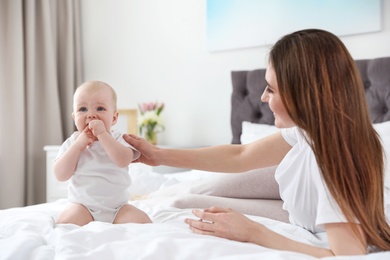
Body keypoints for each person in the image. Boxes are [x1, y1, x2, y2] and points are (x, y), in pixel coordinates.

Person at [124, 29, 390, 257]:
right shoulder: (311, 131)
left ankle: (155, 195)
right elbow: (241, 155)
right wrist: (158, 155)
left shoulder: (338, 161)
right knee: (198, 189)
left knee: (184, 203)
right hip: (302, 213)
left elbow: (346, 256)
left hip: (307, 217)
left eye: (271, 89)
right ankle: (148, 195)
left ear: (304, 94)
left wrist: (253, 232)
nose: (263, 97)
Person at [54, 80, 152, 226]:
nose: (91, 115)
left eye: (100, 108)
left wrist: (103, 135)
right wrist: (78, 146)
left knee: (143, 221)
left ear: (113, 118)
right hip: (83, 206)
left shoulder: (119, 138)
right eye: (83, 109)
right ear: (74, 118)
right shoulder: (72, 142)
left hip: (117, 208)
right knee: (64, 222)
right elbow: (60, 175)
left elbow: (123, 160)